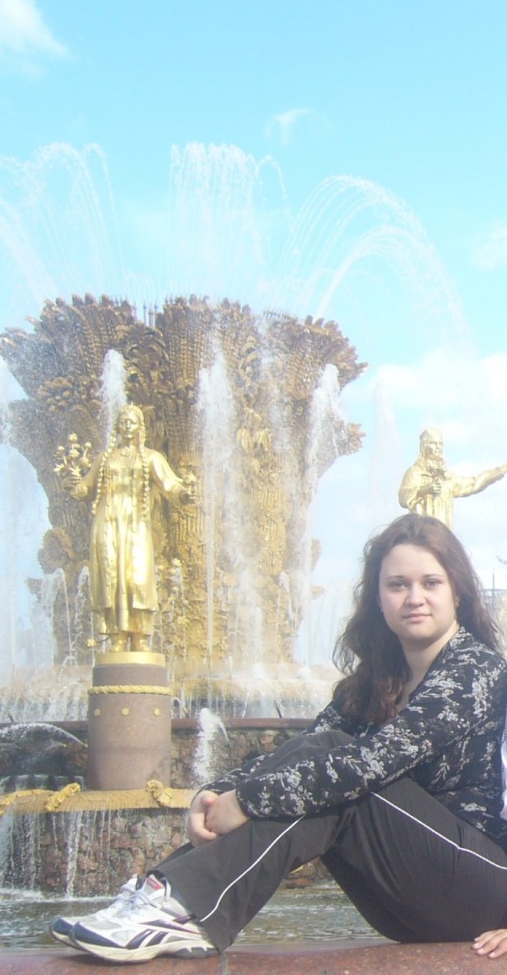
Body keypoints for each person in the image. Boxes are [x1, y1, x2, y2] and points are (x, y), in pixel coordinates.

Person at [52, 514, 507, 962]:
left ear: (457, 592)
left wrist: (247, 801)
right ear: (378, 597)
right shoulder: (374, 682)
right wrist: (215, 794)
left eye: (431, 583)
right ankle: (165, 894)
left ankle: (182, 905)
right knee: (321, 754)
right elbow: (303, 748)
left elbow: (370, 762)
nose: (414, 598)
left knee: (339, 767)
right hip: (406, 898)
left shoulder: (476, 670)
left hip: (482, 890)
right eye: (397, 585)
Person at [66, 404, 193, 652]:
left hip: (136, 523)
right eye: (123, 421)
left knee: (137, 576)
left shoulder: (151, 457)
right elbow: (86, 487)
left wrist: (185, 494)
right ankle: (118, 636)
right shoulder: (105, 458)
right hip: (107, 522)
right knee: (111, 576)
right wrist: (73, 484)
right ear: (117, 426)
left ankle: (140, 636)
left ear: (140, 427)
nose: (127, 426)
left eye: (132, 422)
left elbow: (170, 485)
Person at [398, 427, 507, 529]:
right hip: (421, 535)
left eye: (440, 444)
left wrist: (502, 470)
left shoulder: (447, 478)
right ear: (424, 446)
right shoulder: (414, 473)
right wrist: (424, 490)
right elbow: (403, 498)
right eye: (433, 443)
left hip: (442, 536)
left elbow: (474, 484)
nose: (438, 447)